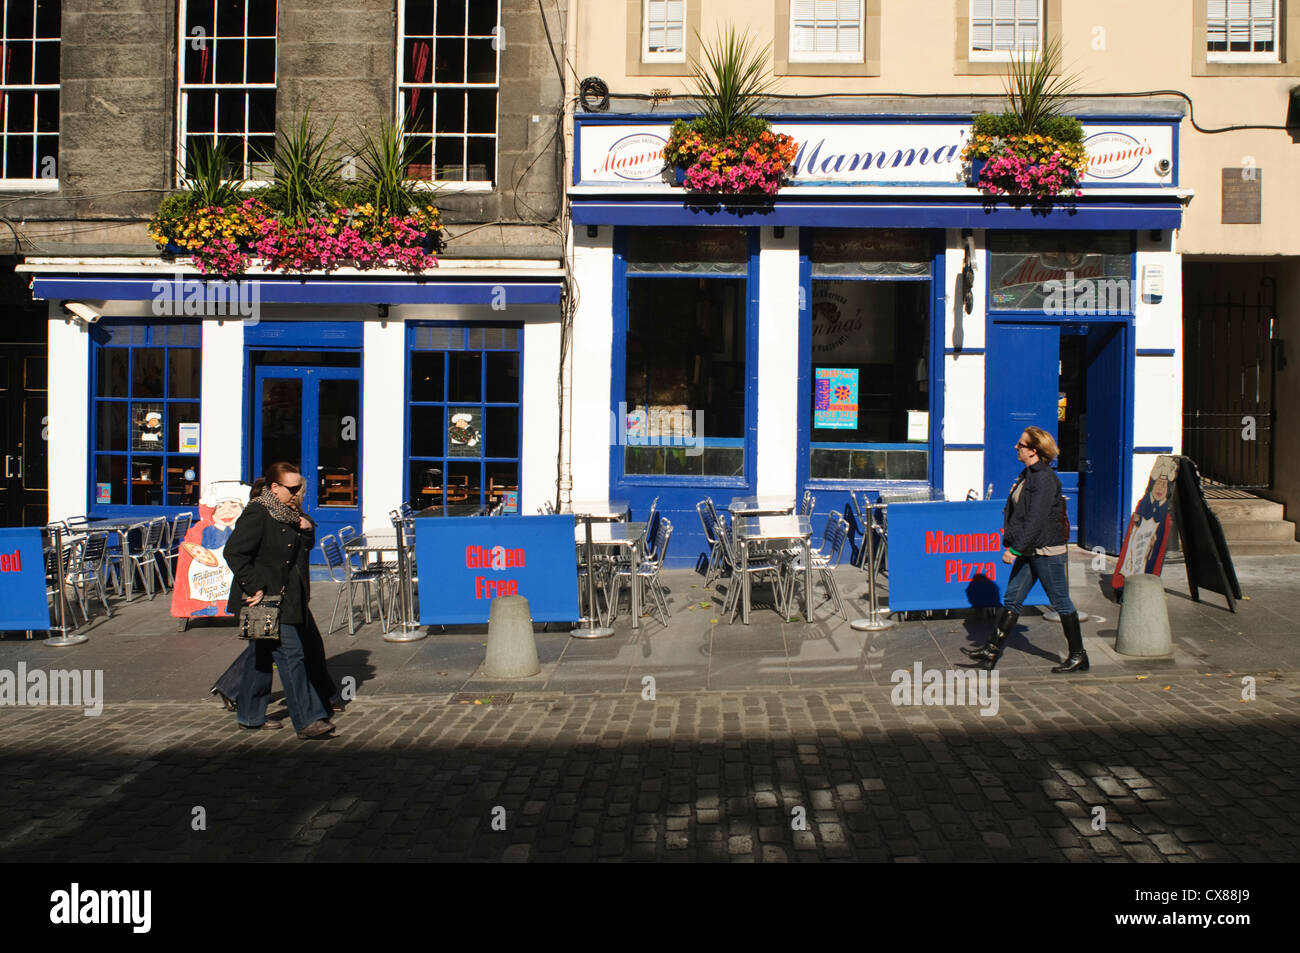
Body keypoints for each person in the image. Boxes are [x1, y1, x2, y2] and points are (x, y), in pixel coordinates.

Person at [224, 462, 337, 739]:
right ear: (274, 488)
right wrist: (254, 586)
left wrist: (307, 527)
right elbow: (234, 553)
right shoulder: (258, 512)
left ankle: (250, 716)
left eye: (300, 487)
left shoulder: (289, 512)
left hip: (290, 596)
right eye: (292, 488)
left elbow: (302, 547)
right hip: (266, 597)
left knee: (261, 657)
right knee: (292, 656)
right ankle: (308, 720)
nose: (298, 492)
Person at [962, 426, 1087, 673]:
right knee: (1012, 599)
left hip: (1045, 551)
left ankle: (1078, 655)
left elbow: (1035, 519)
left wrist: (1015, 550)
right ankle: (991, 651)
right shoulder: (1028, 473)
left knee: (1060, 601)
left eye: (1021, 444)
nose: (1016, 447)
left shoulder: (1043, 479)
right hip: (1030, 549)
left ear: (1033, 450)